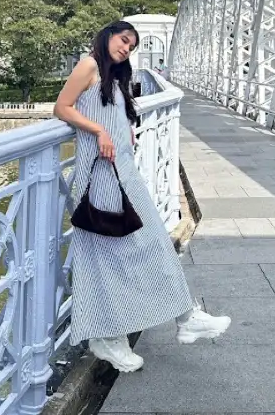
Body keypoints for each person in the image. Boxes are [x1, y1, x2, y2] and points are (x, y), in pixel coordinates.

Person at [54, 20, 231, 373]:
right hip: (102, 176)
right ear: (106, 36)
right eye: (123, 40)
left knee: (147, 246)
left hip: (122, 172)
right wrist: (100, 130)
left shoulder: (114, 77)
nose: (126, 48)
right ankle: (115, 337)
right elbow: (62, 107)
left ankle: (172, 320)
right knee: (120, 253)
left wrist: (123, 131)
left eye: (132, 45)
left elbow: (108, 111)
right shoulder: (89, 65)